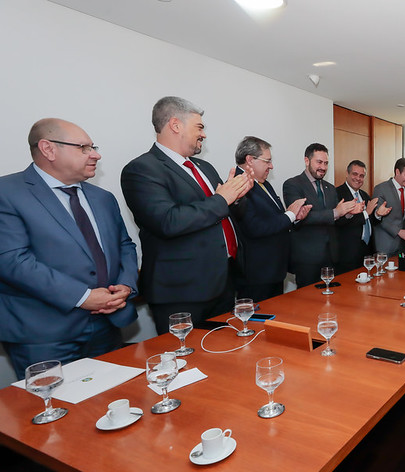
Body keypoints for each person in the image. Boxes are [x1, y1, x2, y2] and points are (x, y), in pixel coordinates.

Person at [0, 118, 138, 379]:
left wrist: (127, 285)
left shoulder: (102, 198)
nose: (95, 155)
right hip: (44, 335)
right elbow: (12, 261)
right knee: (55, 403)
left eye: (93, 147)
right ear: (48, 149)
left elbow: (124, 245)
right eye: (83, 147)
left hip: (107, 324)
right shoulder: (7, 193)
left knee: (114, 396)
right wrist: (83, 297)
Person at [121, 96, 253, 334]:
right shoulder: (142, 169)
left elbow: (225, 213)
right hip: (181, 291)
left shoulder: (205, 167)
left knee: (224, 351)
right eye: (199, 127)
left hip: (223, 282)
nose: (203, 134)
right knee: (185, 354)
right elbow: (168, 221)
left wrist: (237, 197)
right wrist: (223, 198)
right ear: (175, 125)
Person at [234, 136, 311, 301]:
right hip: (257, 274)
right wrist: (289, 215)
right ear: (250, 160)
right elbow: (254, 227)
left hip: (274, 269)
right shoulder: (238, 185)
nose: (271, 166)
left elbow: (276, 219)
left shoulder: (263, 183)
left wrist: (295, 217)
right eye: (267, 161)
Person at [283, 143, 359, 288]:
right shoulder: (293, 184)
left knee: (331, 296)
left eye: (326, 163)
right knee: (308, 299)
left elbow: (335, 219)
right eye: (319, 162)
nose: (323, 167)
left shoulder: (330, 188)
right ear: (307, 161)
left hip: (331, 256)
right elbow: (301, 217)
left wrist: (347, 213)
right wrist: (336, 212)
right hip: (307, 259)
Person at [335, 160, 379, 272]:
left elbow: (371, 221)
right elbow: (339, 222)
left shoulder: (364, 195)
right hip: (347, 253)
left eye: (361, 176)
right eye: (355, 174)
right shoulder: (337, 194)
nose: (358, 178)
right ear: (347, 173)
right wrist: (366, 213)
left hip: (367, 251)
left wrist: (378, 214)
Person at [372, 158, 405, 256]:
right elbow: (378, 218)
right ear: (397, 172)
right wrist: (398, 231)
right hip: (385, 244)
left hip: (402, 245)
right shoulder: (381, 189)